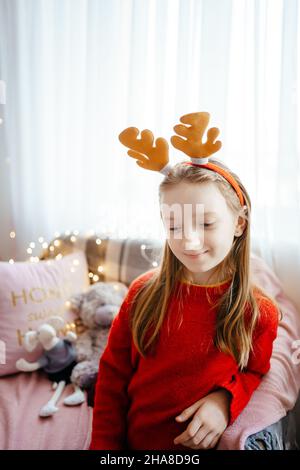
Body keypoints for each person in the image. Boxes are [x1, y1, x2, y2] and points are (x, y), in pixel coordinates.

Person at [89, 112, 281, 450]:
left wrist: (225, 399)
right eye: (174, 226)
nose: (189, 242)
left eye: (206, 224)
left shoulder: (259, 311)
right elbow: (112, 377)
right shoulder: (142, 293)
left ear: (239, 224)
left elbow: (255, 371)